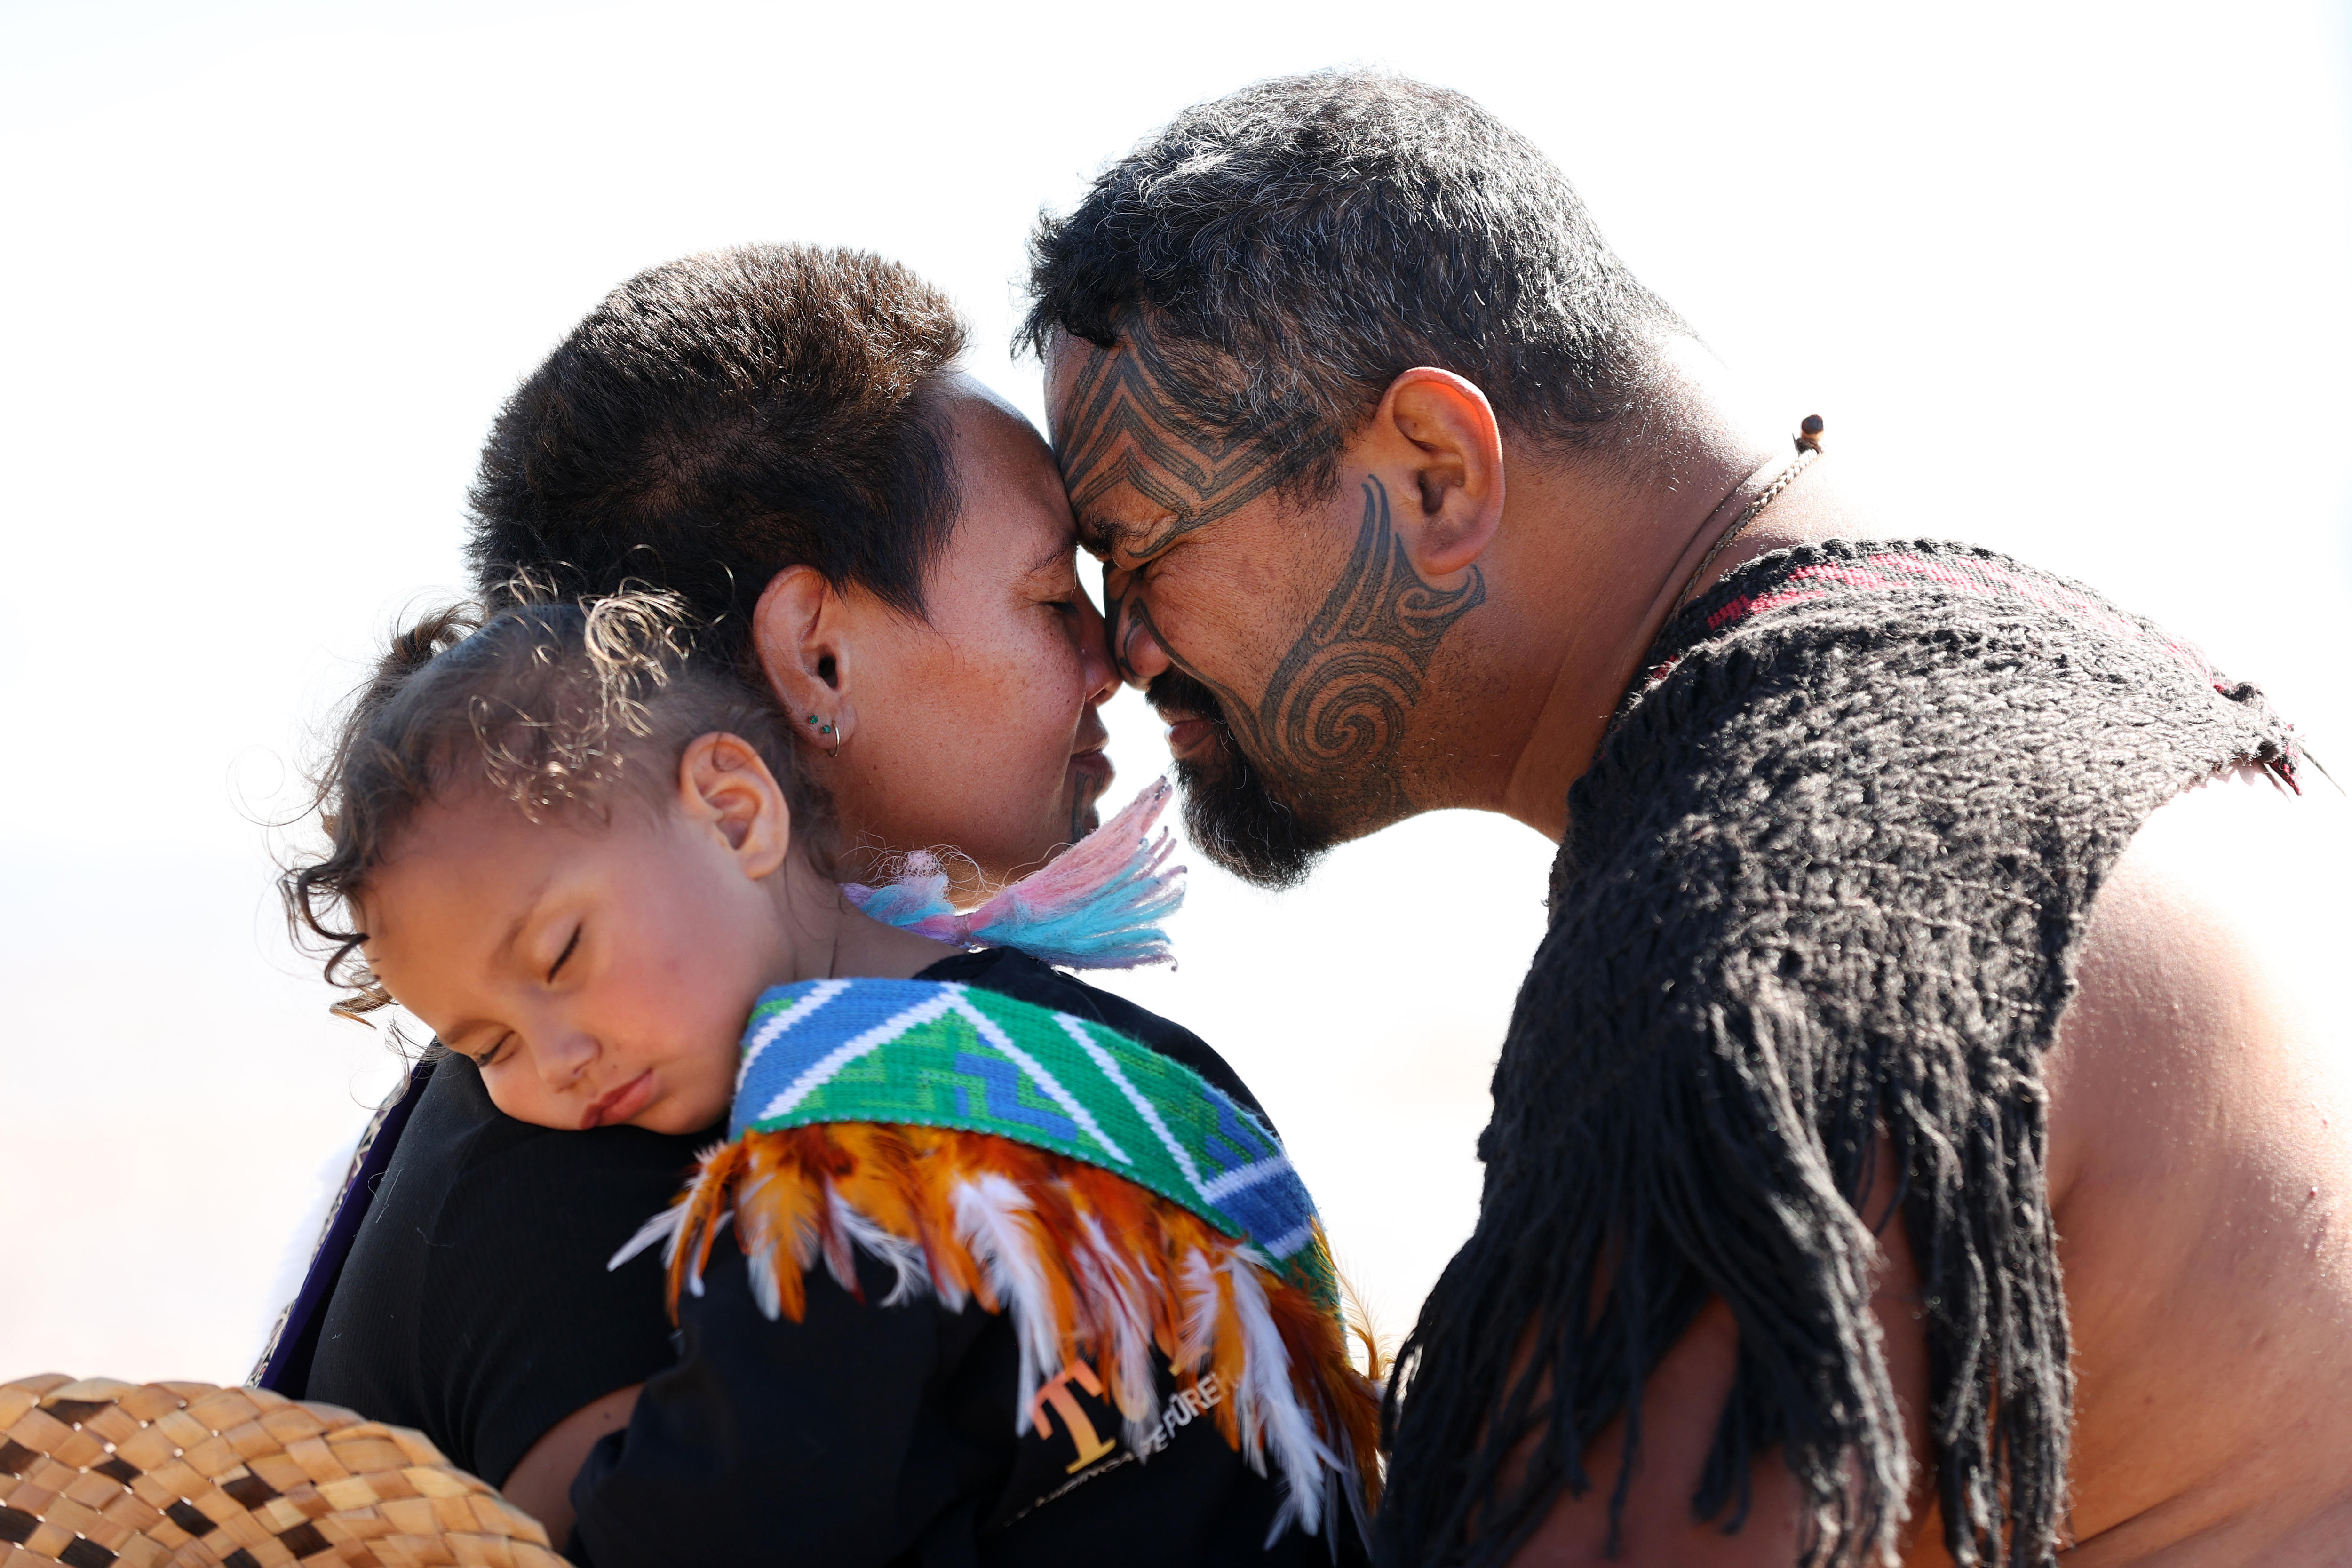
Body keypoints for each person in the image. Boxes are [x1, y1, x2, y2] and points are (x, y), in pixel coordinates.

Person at [1020, 71, 2352, 1566]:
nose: (1119, 649)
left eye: (1134, 551)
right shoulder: (2151, 716)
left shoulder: (1766, 915)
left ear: (1435, 472)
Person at [258, 246, 1329, 1553]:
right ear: (815, 656)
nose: (1113, 657)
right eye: (1055, 598)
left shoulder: (793, 1051)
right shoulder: (605, 1157)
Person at [276, 587, 1376, 1566]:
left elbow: (720, 1523)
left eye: (561, 955)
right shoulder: (1096, 1047)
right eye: (486, 1049)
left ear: (734, 809)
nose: (557, 1063)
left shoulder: (839, 1170)